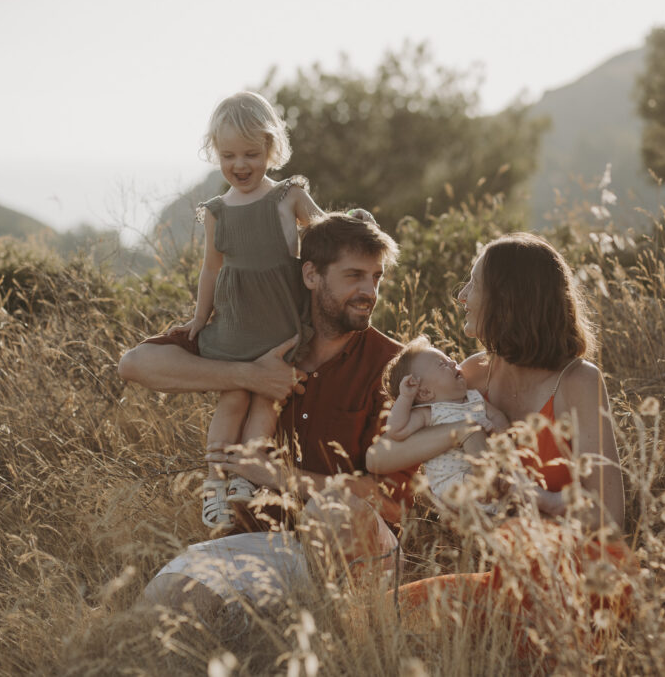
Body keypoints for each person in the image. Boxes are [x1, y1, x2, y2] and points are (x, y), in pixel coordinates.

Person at [123, 212, 413, 614]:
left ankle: (348, 641)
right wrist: (251, 375)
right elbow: (136, 364)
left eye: (376, 277)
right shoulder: (257, 334)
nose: (370, 291)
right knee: (162, 604)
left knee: (332, 513)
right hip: (262, 543)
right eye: (354, 276)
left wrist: (278, 478)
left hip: (355, 552)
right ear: (311, 275)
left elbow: (392, 504)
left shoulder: (396, 367)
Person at [364, 232, 635, 657]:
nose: (462, 296)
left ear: (508, 301)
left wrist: (537, 504)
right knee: (374, 618)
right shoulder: (474, 374)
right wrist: (464, 432)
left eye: (473, 284)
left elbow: (608, 519)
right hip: (507, 580)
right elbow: (380, 457)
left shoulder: (578, 381)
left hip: (578, 577)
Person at [144, 91, 325, 529]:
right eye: (228, 155)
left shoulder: (288, 197)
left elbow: (325, 230)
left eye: (251, 153)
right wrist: (199, 318)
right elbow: (211, 270)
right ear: (215, 153)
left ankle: (247, 472)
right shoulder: (217, 212)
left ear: (270, 149)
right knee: (233, 398)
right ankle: (215, 483)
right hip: (237, 326)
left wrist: (355, 220)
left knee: (267, 402)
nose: (240, 165)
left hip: (281, 326)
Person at [381, 335, 509, 509]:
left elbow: (498, 416)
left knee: (506, 491)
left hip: (483, 475)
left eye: (449, 359)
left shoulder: (473, 397)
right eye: (442, 364)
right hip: (452, 482)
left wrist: (499, 431)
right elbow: (396, 430)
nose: (453, 363)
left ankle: (494, 495)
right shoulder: (428, 413)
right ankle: (488, 486)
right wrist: (405, 397)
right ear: (425, 393)